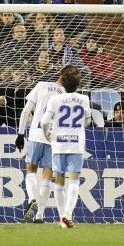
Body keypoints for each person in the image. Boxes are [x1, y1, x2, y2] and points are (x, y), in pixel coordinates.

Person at [14, 65, 67, 222]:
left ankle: (32, 198)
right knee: (48, 175)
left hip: (37, 133)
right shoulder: (66, 94)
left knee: (30, 169)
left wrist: (20, 134)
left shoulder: (41, 85)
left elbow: (25, 111)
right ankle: (40, 215)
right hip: (53, 137)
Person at [40, 66, 90, 228]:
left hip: (59, 144)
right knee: (74, 180)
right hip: (76, 144)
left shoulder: (55, 100)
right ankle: (68, 213)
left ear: (62, 82)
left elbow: (44, 121)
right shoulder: (84, 99)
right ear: (78, 83)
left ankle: (62, 218)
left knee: (59, 181)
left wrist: (47, 133)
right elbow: (88, 121)